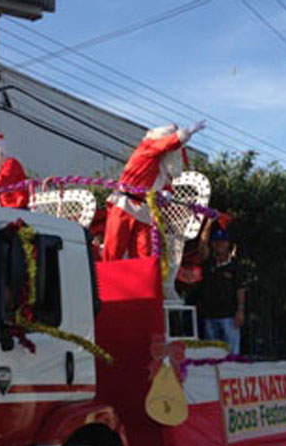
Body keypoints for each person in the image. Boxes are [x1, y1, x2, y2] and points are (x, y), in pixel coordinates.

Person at [103, 120, 206, 260]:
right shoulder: (147, 147)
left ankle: (141, 281)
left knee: (145, 255)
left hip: (145, 211)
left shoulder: (165, 168)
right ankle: (107, 280)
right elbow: (167, 144)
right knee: (114, 250)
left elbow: (165, 188)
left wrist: (166, 195)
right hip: (125, 204)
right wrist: (186, 133)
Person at [197, 219, 246, 355]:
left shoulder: (235, 266)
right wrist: (208, 224)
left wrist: (240, 310)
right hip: (210, 316)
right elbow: (202, 246)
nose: (220, 244)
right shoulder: (208, 262)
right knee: (211, 354)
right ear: (212, 244)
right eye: (216, 241)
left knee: (232, 354)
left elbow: (240, 289)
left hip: (229, 317)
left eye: (223, 241)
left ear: (228, 244)